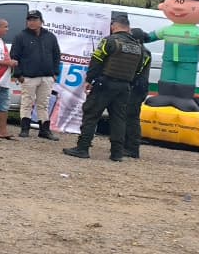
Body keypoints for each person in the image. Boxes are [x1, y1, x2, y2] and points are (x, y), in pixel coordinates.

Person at [63, 13, 148, 161]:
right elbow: (139, 70)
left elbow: (96, 60)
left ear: (114, 26)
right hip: (124, 87)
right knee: (118, 119)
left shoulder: (110, 41)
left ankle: (82, 148)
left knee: (91, 114)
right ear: (128, 28)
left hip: (105, 84)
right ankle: (117, 153)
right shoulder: (138, 47)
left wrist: (90, 79)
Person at [142, 0, 199, 112]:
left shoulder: (198, 32)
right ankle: (164, 96)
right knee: (167, 76)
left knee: (185, 78)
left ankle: (184, 99)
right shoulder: (167, 29)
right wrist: (138, 36)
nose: (178, 8)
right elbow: (149, 37)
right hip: (169, 59)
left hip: (188, 61)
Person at [10, 9, 62, 139]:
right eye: (29, 20)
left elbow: (57, 55)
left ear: (41, 21)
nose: (32, 22)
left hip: (47, 76)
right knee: (27, 102)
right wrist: (18, 74)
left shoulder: (50, 37)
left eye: (35, 20)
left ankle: (44, 130)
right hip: (28, 76)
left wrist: (55, 73)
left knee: (43, 103)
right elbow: (14, 57)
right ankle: (25, 129)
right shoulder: (20, 36)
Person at [123, 28, 153, 160]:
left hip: (137, 88)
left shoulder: (143, 52)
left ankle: (132, 148)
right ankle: (126, 145)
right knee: (126, 116)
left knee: (132, 117)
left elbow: (137, 70)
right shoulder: (140, 50)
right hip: (135, 87)